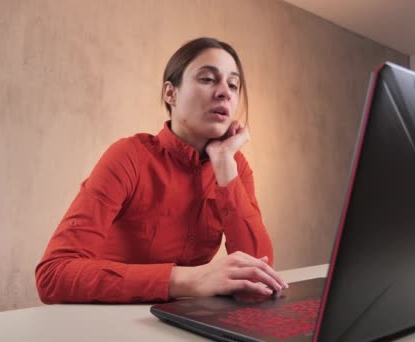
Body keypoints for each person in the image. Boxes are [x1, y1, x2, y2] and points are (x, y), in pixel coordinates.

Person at [35, 37, 288, 304]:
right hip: (107, 319)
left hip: (182, 321)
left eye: (233, 84)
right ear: (171, 93)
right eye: (207, 79)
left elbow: (258, 273)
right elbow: (53, 274)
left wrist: (225, 162)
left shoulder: (234, 167)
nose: (225, 91)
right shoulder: (129, 157)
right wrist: (189, 279)